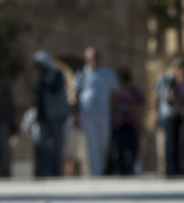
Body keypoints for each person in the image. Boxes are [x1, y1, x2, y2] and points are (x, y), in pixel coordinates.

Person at [74, 46, 118, 178]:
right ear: (87, 60)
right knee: (91, 143)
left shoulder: (108, 73)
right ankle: (95, 172)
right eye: (91, 58)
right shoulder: (81, 74)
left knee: (103, 143)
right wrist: (75, 114)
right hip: (87, 114)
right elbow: (75, 94)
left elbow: (114, 95)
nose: (94, 61)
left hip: (104, 114)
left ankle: (102, 169)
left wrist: (116, 113)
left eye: (96, 58)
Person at [33, 51, 70, 177]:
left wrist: (46, 81)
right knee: (42, 144)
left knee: (57, 145)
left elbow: (54, 90)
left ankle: (56, 172)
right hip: (43, 117)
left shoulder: (56, 74)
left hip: (56, 115)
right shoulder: (39, 77)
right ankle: (43, 172)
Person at [110, 67, 145, 176]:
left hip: (132, 123)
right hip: (119, 124)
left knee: (133, 148)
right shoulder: (115, 91)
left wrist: (132, 108)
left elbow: (142, 102)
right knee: (120, 149)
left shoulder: (134, 90)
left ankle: (131, 169)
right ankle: (122, 171)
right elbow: (112, 105)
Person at [165, 59, 184, 178]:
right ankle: (172, 169)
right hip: (174, 116)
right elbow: (169, 99)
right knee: (172, 142)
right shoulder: (171, 83)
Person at [153, 57, 178, 176]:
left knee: (177, 143)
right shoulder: (163, 79)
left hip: (178, 116)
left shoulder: (181, 80)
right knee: (164, 144)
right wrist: (154, 114)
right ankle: (164, 170)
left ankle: (177, 169)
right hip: (165, 114)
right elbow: (156, 96)